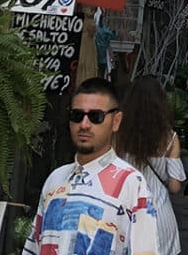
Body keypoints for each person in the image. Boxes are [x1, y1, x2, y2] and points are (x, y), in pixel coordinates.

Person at [23, 77, 159, 255]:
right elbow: (34, 247)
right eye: (77, 115)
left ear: (116, 121)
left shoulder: (132, 183)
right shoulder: (56, 179)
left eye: (96, 116)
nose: (84, 125)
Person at [115, 75, 186, 255]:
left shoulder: (118, 135)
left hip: (124, 214)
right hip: (159, 217)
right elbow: (175, 186)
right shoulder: (170, 138)